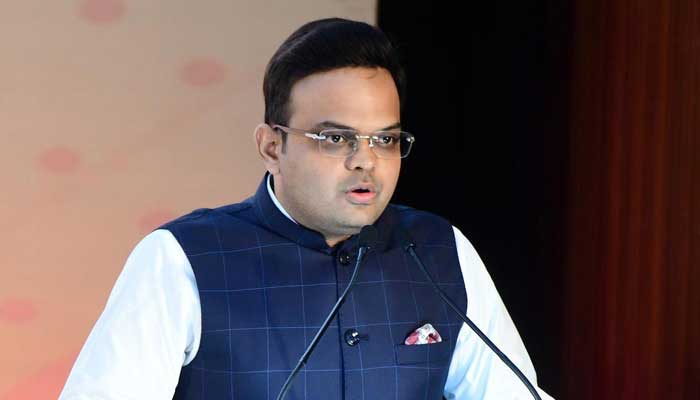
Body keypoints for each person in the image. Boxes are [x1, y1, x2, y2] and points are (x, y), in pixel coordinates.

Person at [59, 18, 554, 400]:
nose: (365, 160)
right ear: (272, 146)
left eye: (384, 139)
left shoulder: (438, 251)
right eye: (336, 138)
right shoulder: (181, 259)